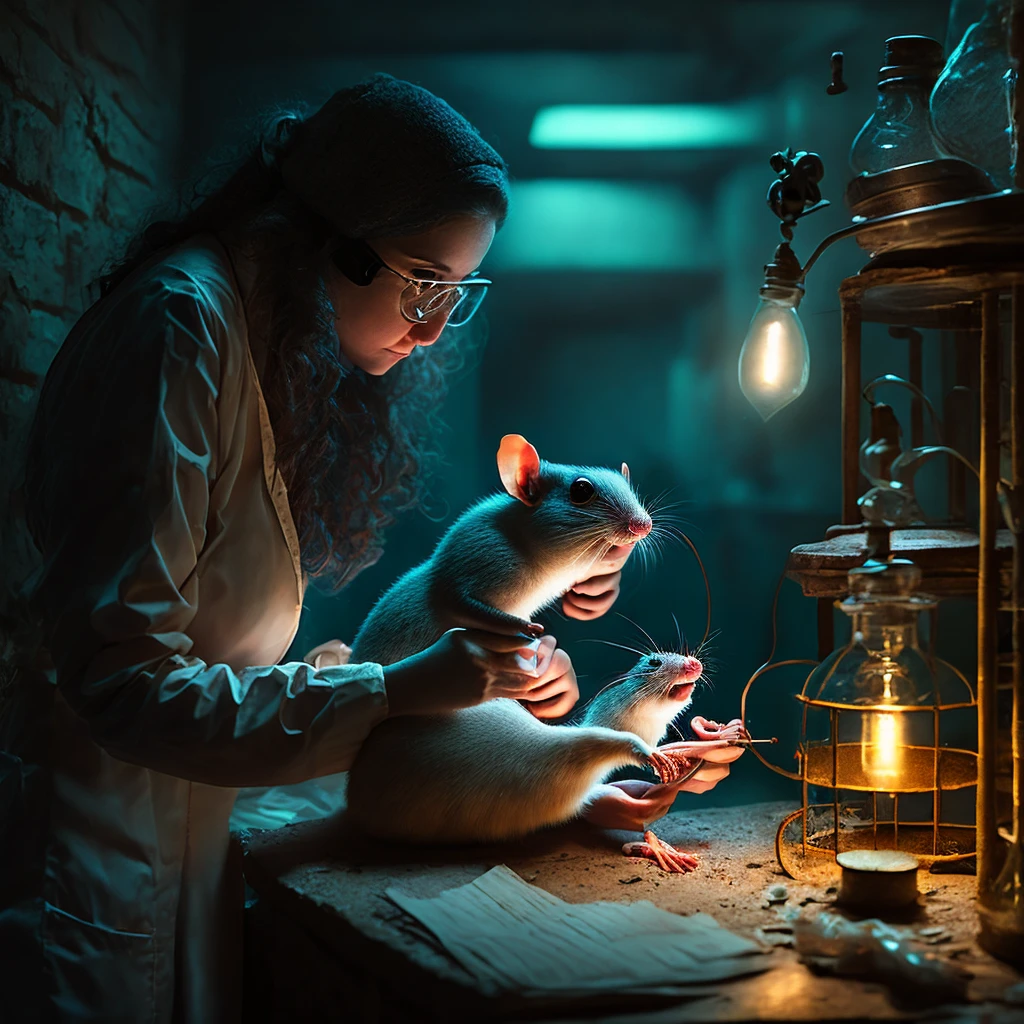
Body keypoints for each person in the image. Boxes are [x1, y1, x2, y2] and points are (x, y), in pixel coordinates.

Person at [0, 74, 739, 1023]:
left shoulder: (261, 346)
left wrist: (537, 785)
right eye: (422, 281)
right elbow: (124, 689)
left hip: (182, 857)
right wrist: (398, 689)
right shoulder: (178, 327)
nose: (432, 329)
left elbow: (244, 700)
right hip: (95, 878)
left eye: (456, 293)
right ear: (328, 241)